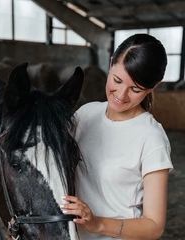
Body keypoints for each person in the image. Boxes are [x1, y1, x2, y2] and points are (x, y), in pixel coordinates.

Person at [60, 33, 173, 239]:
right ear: (111, 63)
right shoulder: (85, 115)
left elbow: (154, 226)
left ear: (154, 86)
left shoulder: (152, 138)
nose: (121, 95)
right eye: (117, 80)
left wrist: (98, 223)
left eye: (135, 89)